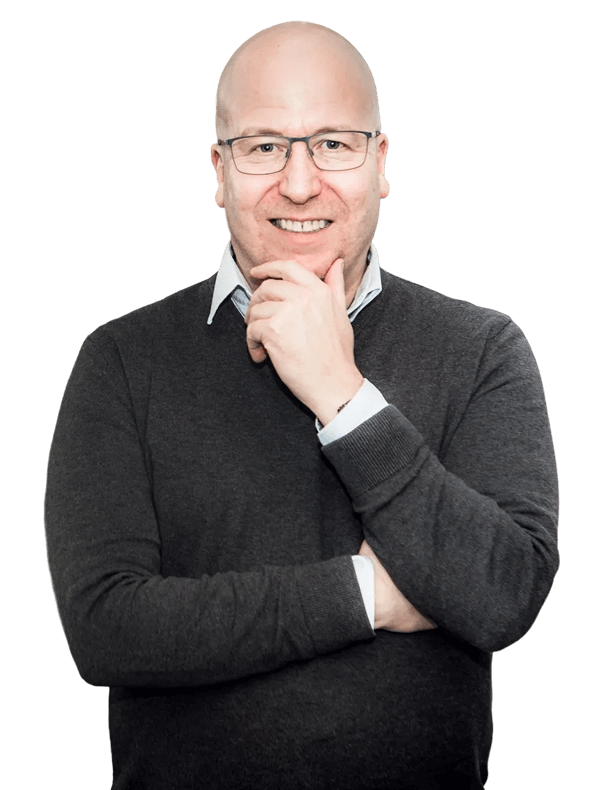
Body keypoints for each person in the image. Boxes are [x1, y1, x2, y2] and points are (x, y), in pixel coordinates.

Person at [44, 21, 559, 790]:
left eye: (332, 144)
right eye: (263, 147)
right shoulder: (120, 361)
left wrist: (342, 396)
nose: (297, 183)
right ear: (219, 171)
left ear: (380, 163)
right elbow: (106, 630)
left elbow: (504, 595)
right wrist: (365, 595)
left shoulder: (484, 349)